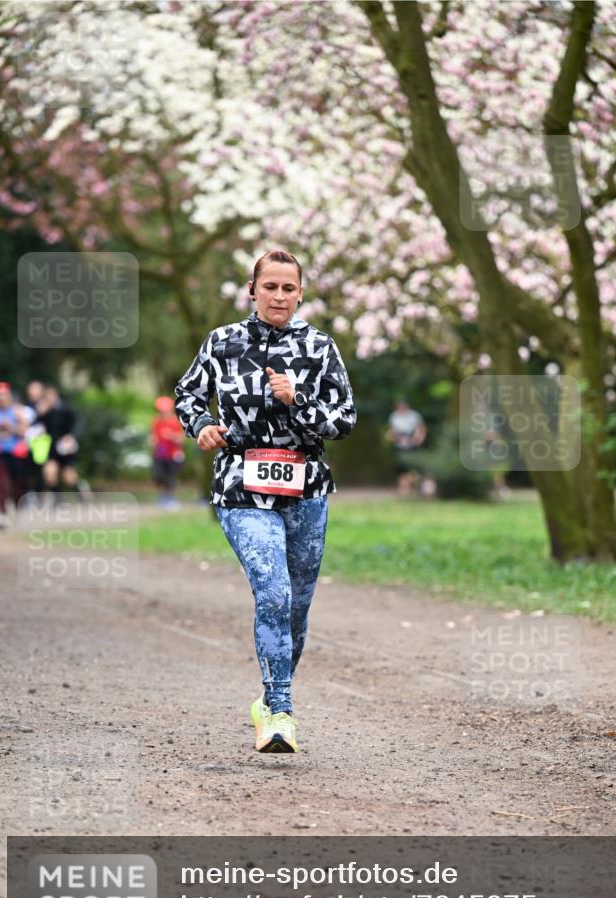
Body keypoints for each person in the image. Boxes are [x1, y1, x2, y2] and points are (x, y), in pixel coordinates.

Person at [175, 248, 356, 753]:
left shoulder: (319, 347)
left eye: (289, 288)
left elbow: (344, 421)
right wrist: (203, 426)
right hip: (241, 485)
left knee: (295, 609)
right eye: (270, 286)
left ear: (301, 293)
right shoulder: (223, 343)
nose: (279, 296)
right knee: (272, 593)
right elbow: (187, 394)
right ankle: (280, 712)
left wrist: (297, 400)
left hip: (306, 489)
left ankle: (271, 696)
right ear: (252, 290)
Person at [0, 381, 31, 527]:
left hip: (16, 452)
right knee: (1, 483)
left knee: (17, 483)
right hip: (0, 452)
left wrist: (11, 427)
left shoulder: (17, 411)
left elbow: (24, 431)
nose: (2, 399)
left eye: (4, 396)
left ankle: (17, 508)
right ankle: (2, 513)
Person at [36, 386, 80, 494]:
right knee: (49, 473)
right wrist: (40, 414)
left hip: (66, 447)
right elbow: (37, 426)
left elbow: (78, 423)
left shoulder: (65, 410)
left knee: (68, 477)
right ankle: (56, 499)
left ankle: (81, 491)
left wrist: (71, 436)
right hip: (52, 447)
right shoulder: (46, 413)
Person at [386, 398, 428, 497]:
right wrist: (392, 437)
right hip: (399, 445)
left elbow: (421, 429)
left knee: (412, 468)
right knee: (401, 469)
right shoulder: (394, 416)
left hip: (412, 445)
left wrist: (418, 440)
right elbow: (391, 431)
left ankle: (413, 486)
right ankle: (403, 490)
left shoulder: (414, 416)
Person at [151, 395, 185, 508]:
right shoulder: (156, 422)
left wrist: (171, 436)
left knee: (171, 477)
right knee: (159, 476)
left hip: (173, 454)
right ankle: (162, 497)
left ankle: (170, 499)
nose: (163, 413)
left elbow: (181, 439)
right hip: (160, 454)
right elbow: (153, 436)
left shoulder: (175, 422)